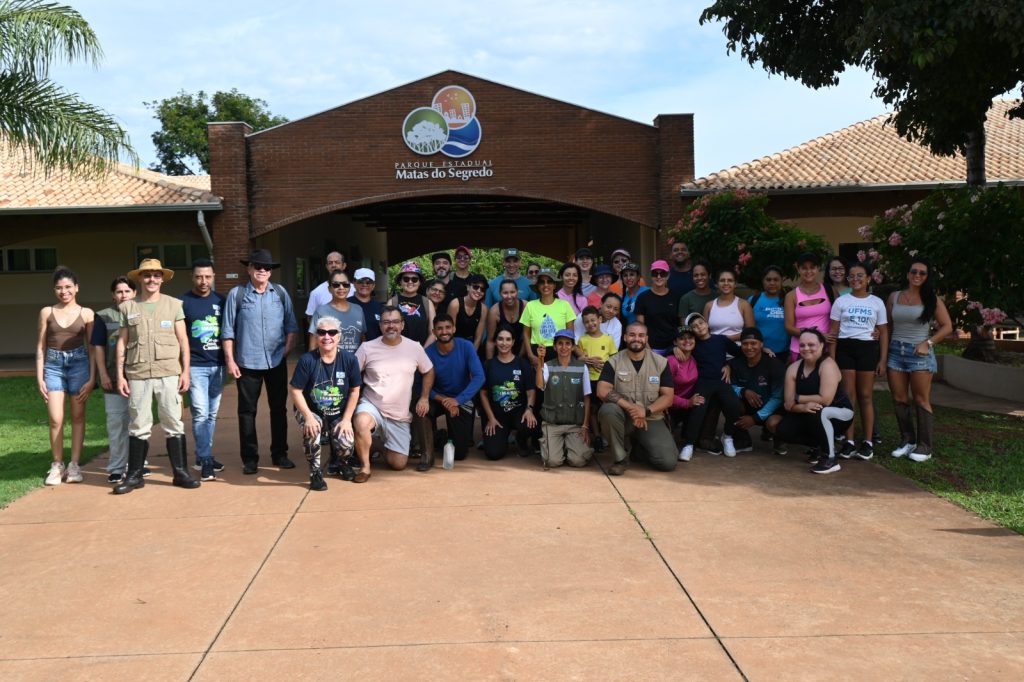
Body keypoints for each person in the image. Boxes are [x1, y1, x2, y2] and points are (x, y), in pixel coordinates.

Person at [113, 258, 198, 494]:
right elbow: (122, 342)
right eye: (147, 275)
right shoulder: (127, 307)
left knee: (173, 422)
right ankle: (134, 476)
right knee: (138, 424)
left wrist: (186, 372)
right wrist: (120, 376)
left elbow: (183, 341)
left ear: (162, 278)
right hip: (138, 373)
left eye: (156, 275)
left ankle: (180, 473)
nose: (152, 279)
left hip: (168, 372)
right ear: (139, 278)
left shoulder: (173, 305)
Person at [223, 248, 300, 475]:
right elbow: (228, 331)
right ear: (249, 269)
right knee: (247, 412)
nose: (262, 271)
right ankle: (250, 458)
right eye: (258, 267)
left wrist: (285, 351)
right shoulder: (237, 295)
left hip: (276, 362)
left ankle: (280, 454)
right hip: (247, 363)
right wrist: (231, 360)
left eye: (267, 268)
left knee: (278, 410)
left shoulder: (280, 293)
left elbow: (291, 325)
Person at [353, 306, 434, 481]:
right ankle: (365, 468)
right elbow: (353, 375)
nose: (391, 326)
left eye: (395, 322)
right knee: (361, 422)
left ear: (402, 325)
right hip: (372, 405)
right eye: (386, 322)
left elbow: (428, 371)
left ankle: (377, 444)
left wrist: (425, 397)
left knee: (398, 464)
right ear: (380, 325)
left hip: (399, 415)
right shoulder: (367, 348)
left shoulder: (414, 347)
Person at [885, 258, 953, 463]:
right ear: (907, 274)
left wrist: (928, 343)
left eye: (922, 273)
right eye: (914, 271)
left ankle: (925, 446)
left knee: (921, 399)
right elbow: (887, 325)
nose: (917, 275)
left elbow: (947, 326)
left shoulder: (932, 300)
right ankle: (907, 440)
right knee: (899, 398)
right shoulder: (894, 297)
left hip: (919, 354)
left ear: (926, 277)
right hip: (896, 351)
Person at [289, 316, 362, 490]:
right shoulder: (308, 360)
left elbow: (354, 390)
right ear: (316, 336)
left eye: (332, 332)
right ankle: (315, 473)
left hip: (338, 411)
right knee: (313, 430)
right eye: (321, 332)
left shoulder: (349, 360)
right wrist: (308, 417)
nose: (327, 336)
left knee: (346, 442)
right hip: (311, 409)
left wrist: (346, 420)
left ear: (339, 336)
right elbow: (295, 390)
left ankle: (342, 463)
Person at [37, 266, 95, 486]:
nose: (64, 291)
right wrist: (40, 377)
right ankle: (57, 464)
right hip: (53, 366)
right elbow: (40, 347)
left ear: (76, 288)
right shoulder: (46, 312)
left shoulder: (87, 313)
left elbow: (92, 349)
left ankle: (74, 465)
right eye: (59, 288)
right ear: (54, 290)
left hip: (79, 365)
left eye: (68, 287)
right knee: (56, 418)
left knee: (78, 416)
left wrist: (91, 378)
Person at [597, 322, 677, 475]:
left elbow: (668, 397)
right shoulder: (613, 361)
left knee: (668, 462)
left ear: (646, 338)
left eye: (641, 335)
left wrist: (646, 411)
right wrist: (631, 408)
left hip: (651, 417)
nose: (636, 339)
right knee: (608, 410)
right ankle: (620, 459)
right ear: (625, 337)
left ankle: (639, 447)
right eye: (632, 335)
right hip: (624, 417)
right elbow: (602, 390)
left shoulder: (660, 362)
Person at [828, 262, 888, 460]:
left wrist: (882, 359)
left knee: (866, 396)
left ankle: (868, 442)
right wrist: (832, 358)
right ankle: (849, 441)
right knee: (848, 396)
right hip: (845, 349)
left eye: (860, 276)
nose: (855, 279)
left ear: (868, 278)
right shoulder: (841, 302)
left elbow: (884, 332)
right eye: (851, 276)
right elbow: (834, 332)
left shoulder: (877, 302)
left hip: (867, 349)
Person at [775, 329, 855, 475]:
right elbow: (787, 404)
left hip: (840, 412)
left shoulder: (827, 365)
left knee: (821, 410)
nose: (806, 348)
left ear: (822, 346)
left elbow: (826, 399)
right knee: (784, 430)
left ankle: (830, 458)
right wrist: (804, 407)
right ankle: (819, 446)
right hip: (810, 412)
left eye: (811, 345)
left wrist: (798, 398)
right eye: (802, 345)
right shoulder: (794, 368)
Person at [180, 258, 227, 481]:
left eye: (207, 276)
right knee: (199, 413)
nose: (203, 281)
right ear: (192, 277)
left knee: (211, 414)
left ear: (213, 277)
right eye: (199, 276)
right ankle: (205, 458)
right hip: (195, 366)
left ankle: (202, 455)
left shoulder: (222, 300)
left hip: (218, 366)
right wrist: (183, 369)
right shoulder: (183, 302)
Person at [422, 314, 485, 468]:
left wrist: (457, 400)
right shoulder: (428, 353)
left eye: (448, 327)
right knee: (422, 410)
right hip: (438, 398)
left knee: (460, 454)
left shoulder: (466, 346)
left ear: (454, 329)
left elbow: (479, 377)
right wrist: (443, 400)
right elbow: (422, 386)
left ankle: (444, 437)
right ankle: (429, 447)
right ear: (434, 331)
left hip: (460, 399)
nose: (444, 331)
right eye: (440, 328)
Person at [92, 276, 137, 483]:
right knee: (117, 423)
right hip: (112, 379)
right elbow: (98, 348)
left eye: (127, 291)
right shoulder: (103, 317)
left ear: (134, 293)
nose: (123, 295)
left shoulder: (141, 312)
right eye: (119, 292)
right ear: (113, 295)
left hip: (139, 377)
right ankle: (117, 467)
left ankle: (138, 464)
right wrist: (102, 374)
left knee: (138, 423)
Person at [684, 312, 745, 457]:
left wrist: (729, 365)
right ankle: (688, 444)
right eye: (694, 327)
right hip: (703, 382)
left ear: (707, 323)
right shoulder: (693, 344)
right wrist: (673, 349)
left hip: (721, 380)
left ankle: (727, 436)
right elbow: (677, 347)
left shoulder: (721, 340)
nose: (699, 327)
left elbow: (740, 354)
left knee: (735, 406)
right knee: (698, 409)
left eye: (700, 323)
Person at [478, 326, 539, 460]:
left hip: (519, 413)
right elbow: (483, 394)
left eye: (507, 340)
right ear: (495, 342)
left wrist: (529, 409)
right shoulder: (488, 365)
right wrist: (491, 418)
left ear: (513, 342)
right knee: (493, 454)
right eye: (500, 339)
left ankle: (520, 439)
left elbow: (531, 391)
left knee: (531, 425)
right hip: (498, 416)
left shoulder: (522, 364)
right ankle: (502, 437)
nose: (504, 343)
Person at [535, 330, 593, 468]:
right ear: (554, 347)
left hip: (575, 424)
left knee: (578, 461)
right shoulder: (548, 365)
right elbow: (539, 385)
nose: (564, 347)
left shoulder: (581, 367)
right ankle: (560, 447)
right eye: (560, 343)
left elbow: (587, 397)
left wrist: (585, 425)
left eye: (568, 344)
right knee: (552, 461)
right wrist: (540, 360)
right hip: (552, 423)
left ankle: (573, 447)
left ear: (573, 347)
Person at [728, 327, 786, 454]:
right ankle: (743, 440)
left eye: (753, 343)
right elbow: (729, 386)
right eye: (745, 343)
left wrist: (755, 418)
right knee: (730, 402)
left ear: (761, 344)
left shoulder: (774, 365)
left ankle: (779, 438)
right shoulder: (736, 364)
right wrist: (744, 391)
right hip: (749, 405)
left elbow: (778, 397)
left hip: (772, 408)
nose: (749, 347)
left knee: (773, 423)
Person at [521, 268, 576, 368]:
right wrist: (530, 355)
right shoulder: (530, 306)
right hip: (537, 351)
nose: (546, 285)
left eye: (549, 281)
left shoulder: (565, 305)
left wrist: (567, 354)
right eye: (542, 282)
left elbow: (570, 334)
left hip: (560, 351)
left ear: (554, 285)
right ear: (538, 286)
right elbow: (526, 333)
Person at [784, 252, 831, 363]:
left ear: (818, 268)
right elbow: (789, 327)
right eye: (804, 268)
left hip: (824, 349)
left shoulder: (829, 290)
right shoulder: (791, 296)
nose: (808, 271)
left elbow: (840, 316)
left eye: (812, 267)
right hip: (800, 349)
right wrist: (818, 336)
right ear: (798, 269)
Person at [667, 327, 705, 461]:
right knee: (667, 450)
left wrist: (727, 366)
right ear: (675, 342)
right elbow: (662, 393)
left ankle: (694, 441)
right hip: (668, 407)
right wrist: (687, 403)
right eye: (682, 338)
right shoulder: (671, 361)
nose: (687, 341)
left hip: (687, 407)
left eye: (690, 338)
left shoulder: (695, 358)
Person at [308, 270, 365, 353]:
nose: (341, 287)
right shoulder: (321, 311)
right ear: (329, 289)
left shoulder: (358, 310)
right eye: (336, 285)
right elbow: (313, 346)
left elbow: (362, 340)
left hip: (355, 364)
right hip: (329, 364)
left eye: (345, 284)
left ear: (349, 287)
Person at [634, 260, 682, 356]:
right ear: (651, 276)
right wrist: (646, 347)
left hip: (673, 347)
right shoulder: (643, 297)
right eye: (655, 273)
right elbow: (640, 326)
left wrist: (679, 345)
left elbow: (680, 324)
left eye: (662, 273)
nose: (659, 277)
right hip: (651, 348)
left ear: (668, 276)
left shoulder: (676, 297)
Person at [389, 261, 434, 346]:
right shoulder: (392, 302)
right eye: (406, 279)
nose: (410, 282)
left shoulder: (427, 303)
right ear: (400, 282)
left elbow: (433, 332)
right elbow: (388, 329)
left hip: (421, 352)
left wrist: (422, 351)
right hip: (398, 352)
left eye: (414, 279)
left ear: (419, 282)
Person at [704, 268, 755, 342]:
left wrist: (725, 339)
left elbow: (751, 332)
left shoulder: (744, 304)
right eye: (722, 280)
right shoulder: (709, 306)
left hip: (736, 350)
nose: (726, 283)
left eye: (730, 280)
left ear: (735, 284)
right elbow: (704, 332)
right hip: (713, 349)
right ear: (717, 284)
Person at [749, 265, 789, 356]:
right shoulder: (753, 300)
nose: (772, 283)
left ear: (782, 280)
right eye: (768, 280)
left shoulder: (789, 299)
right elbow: (748, 328)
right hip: (758, 352)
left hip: (784, 353)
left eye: (776, 280)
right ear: (763, 281)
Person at [486, 279, 526, 359]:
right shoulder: (494, 311)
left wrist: (519, 359)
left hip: (520, 349)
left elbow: (527, 337)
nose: (509, 296)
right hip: (500, 349)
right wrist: (489, 364)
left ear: (517, 292)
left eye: (512, 292)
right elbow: (490, 341)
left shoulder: (526, 307)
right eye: (505, 293)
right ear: (500, 293)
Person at [447, 273, 488, 350]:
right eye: (476, 287)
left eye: (482, 289)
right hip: (453, 344)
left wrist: (472, 354)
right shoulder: (455, 304)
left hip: (472, 346)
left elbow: (478, 337)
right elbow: (449, 332)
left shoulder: (483, 309)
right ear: (468, 287)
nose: (479, 291)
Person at [305, 251, 348, 319]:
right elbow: (311, 318)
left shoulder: (354, 290)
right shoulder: (316, 293)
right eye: (330, 263)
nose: (333, 265)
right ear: (327, 266)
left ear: (344, 266)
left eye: (337, 262)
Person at [558, 261, 589, 338]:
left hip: (577, 338)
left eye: (575, 275)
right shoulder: (555, 296)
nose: (571, 278)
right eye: (567, 275)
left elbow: (585, 321)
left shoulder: (582, 299)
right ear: (561, 276)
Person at [351, 267, 383, 341]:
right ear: (354, 283)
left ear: (373, 285)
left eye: (368, 282)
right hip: (351, 351)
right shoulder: (346, 304)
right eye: (360, 281)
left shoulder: (380, 307)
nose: (364, 284)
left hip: (375, 350)